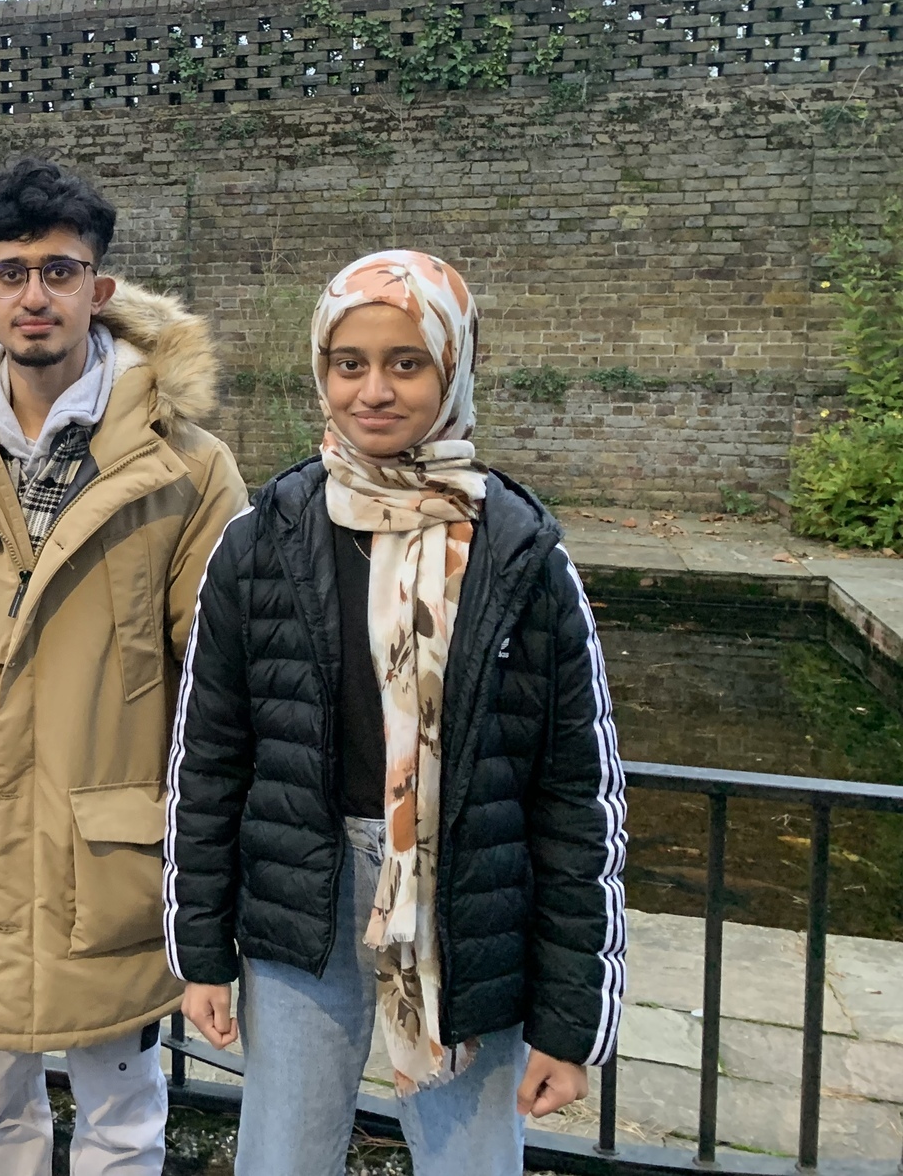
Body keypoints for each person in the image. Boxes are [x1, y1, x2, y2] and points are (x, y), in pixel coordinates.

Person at [163, 250, 628, 1176]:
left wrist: (573, 1022)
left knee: (470, 1164)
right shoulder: (262, 542)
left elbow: (575, 797)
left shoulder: (521, 554)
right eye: (350, 363)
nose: (373, 390)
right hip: (304, 896)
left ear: (452, 367)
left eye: (406, 362)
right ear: (320, 370)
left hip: (465, 909)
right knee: (282, 1157)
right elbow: (210, 761)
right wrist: (201, 950)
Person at [0, 155, 247, 1176]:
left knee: (123, 1120)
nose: (35, 294)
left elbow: (216, 685)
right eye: (11, 271)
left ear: (98, 288)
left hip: (112, 863)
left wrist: (197, 853)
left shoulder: (187, 468)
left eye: (59, 270)